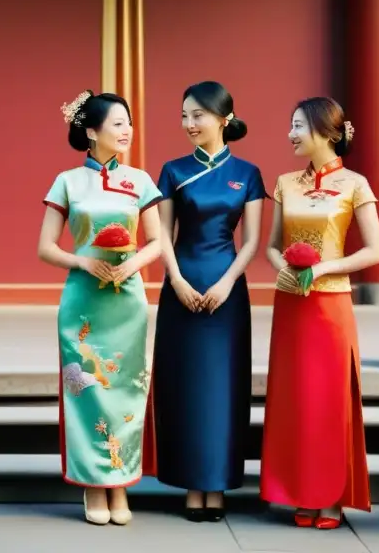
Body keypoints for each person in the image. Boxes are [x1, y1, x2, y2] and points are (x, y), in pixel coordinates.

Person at [37, 90, 162, 526]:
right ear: (91, 132)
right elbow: (46, 247)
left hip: (127, 299)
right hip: (84, 300)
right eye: (117, 123)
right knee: (88, 388)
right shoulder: (67, 181)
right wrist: (84, 260)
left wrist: (132, 269)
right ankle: (93, 483)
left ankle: (120, 482)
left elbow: (158, 242)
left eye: (129, 122)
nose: (127, 130)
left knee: (127, 388)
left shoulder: (141, 180)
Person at [260, 96, 379, 529]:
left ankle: (330, 495)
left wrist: (323, 268)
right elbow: (272, 245)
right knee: (295, 400)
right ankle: (298, 490)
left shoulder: (354, 184)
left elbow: (375, 250)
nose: (291, 133)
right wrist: (286, 271)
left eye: (298, 126)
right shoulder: (285, 182)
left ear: (327, 132)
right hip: (291, 303)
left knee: (327, 401)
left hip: (331, 306)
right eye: (291, 125)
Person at [145, 81, 265, 521]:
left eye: (198, 115)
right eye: (184, 116)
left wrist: (228, 282)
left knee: (222, 388)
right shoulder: (172, 170)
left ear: (224, 119)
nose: (189, 124)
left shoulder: (248, 173)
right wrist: (174, 280)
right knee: (187, 385)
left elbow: (250, 241)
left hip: (227, 289)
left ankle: (217, 482)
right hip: (182, 283)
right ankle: (190, 483)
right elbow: (163, 233)